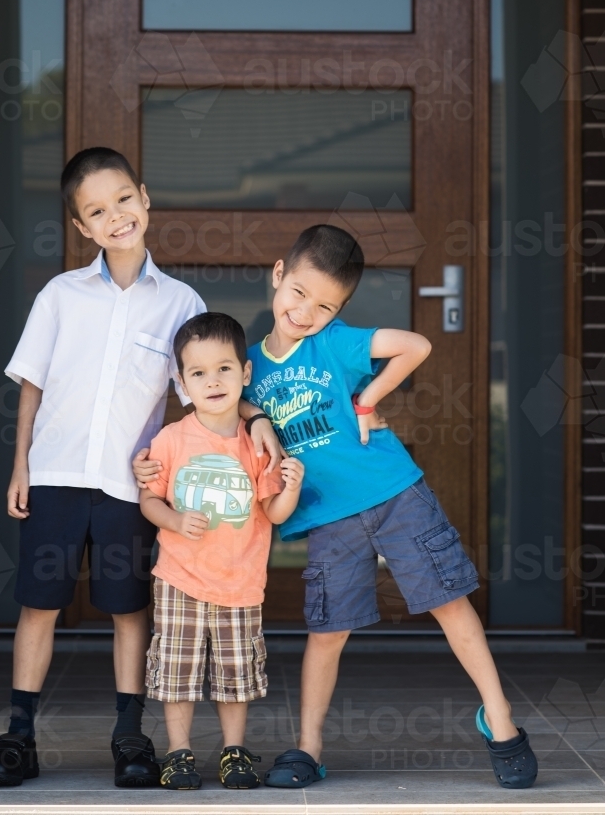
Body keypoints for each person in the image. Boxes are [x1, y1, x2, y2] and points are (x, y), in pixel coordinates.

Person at [134, 223, 538, 792]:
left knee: (448, 601)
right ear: (278, 276)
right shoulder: (243, 364)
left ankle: (500, 721)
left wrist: (368, 398)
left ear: (340, 310)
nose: (305, 312)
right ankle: (309, 747)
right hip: (326, 516)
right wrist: (244, 424)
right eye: (298, 293)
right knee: (329, 630)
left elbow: (415, 347)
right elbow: (220, 405)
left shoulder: (336, 343)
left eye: (325, 305)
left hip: (394, 493)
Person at [0, 148, 279, 790]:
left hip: (126, 487)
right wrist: (19, 465)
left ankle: (129, 736)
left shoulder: (178, 301)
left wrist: (255, 418)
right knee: (38, 604)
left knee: (128, 609)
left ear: (144, 198)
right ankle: (18, 736)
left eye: (121, 200)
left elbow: (207, 379)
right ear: (82, 228)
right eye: (95, 211)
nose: (114, 217)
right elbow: (31, 385)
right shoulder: (61, 295)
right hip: (56, 475)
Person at [140, 312, 304, 790]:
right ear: (183, 382)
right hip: (179, 578)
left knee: (236, 674)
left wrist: (291, 486)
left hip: (240, 582)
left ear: (245, 373)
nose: (212, 382)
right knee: (176, 670)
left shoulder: (257, 444)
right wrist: (172, 519)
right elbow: (149, 498)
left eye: (224, 369)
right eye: (198, 373)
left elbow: (273, 512)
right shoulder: (171, 440)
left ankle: (234, 752)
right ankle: (179, 753)